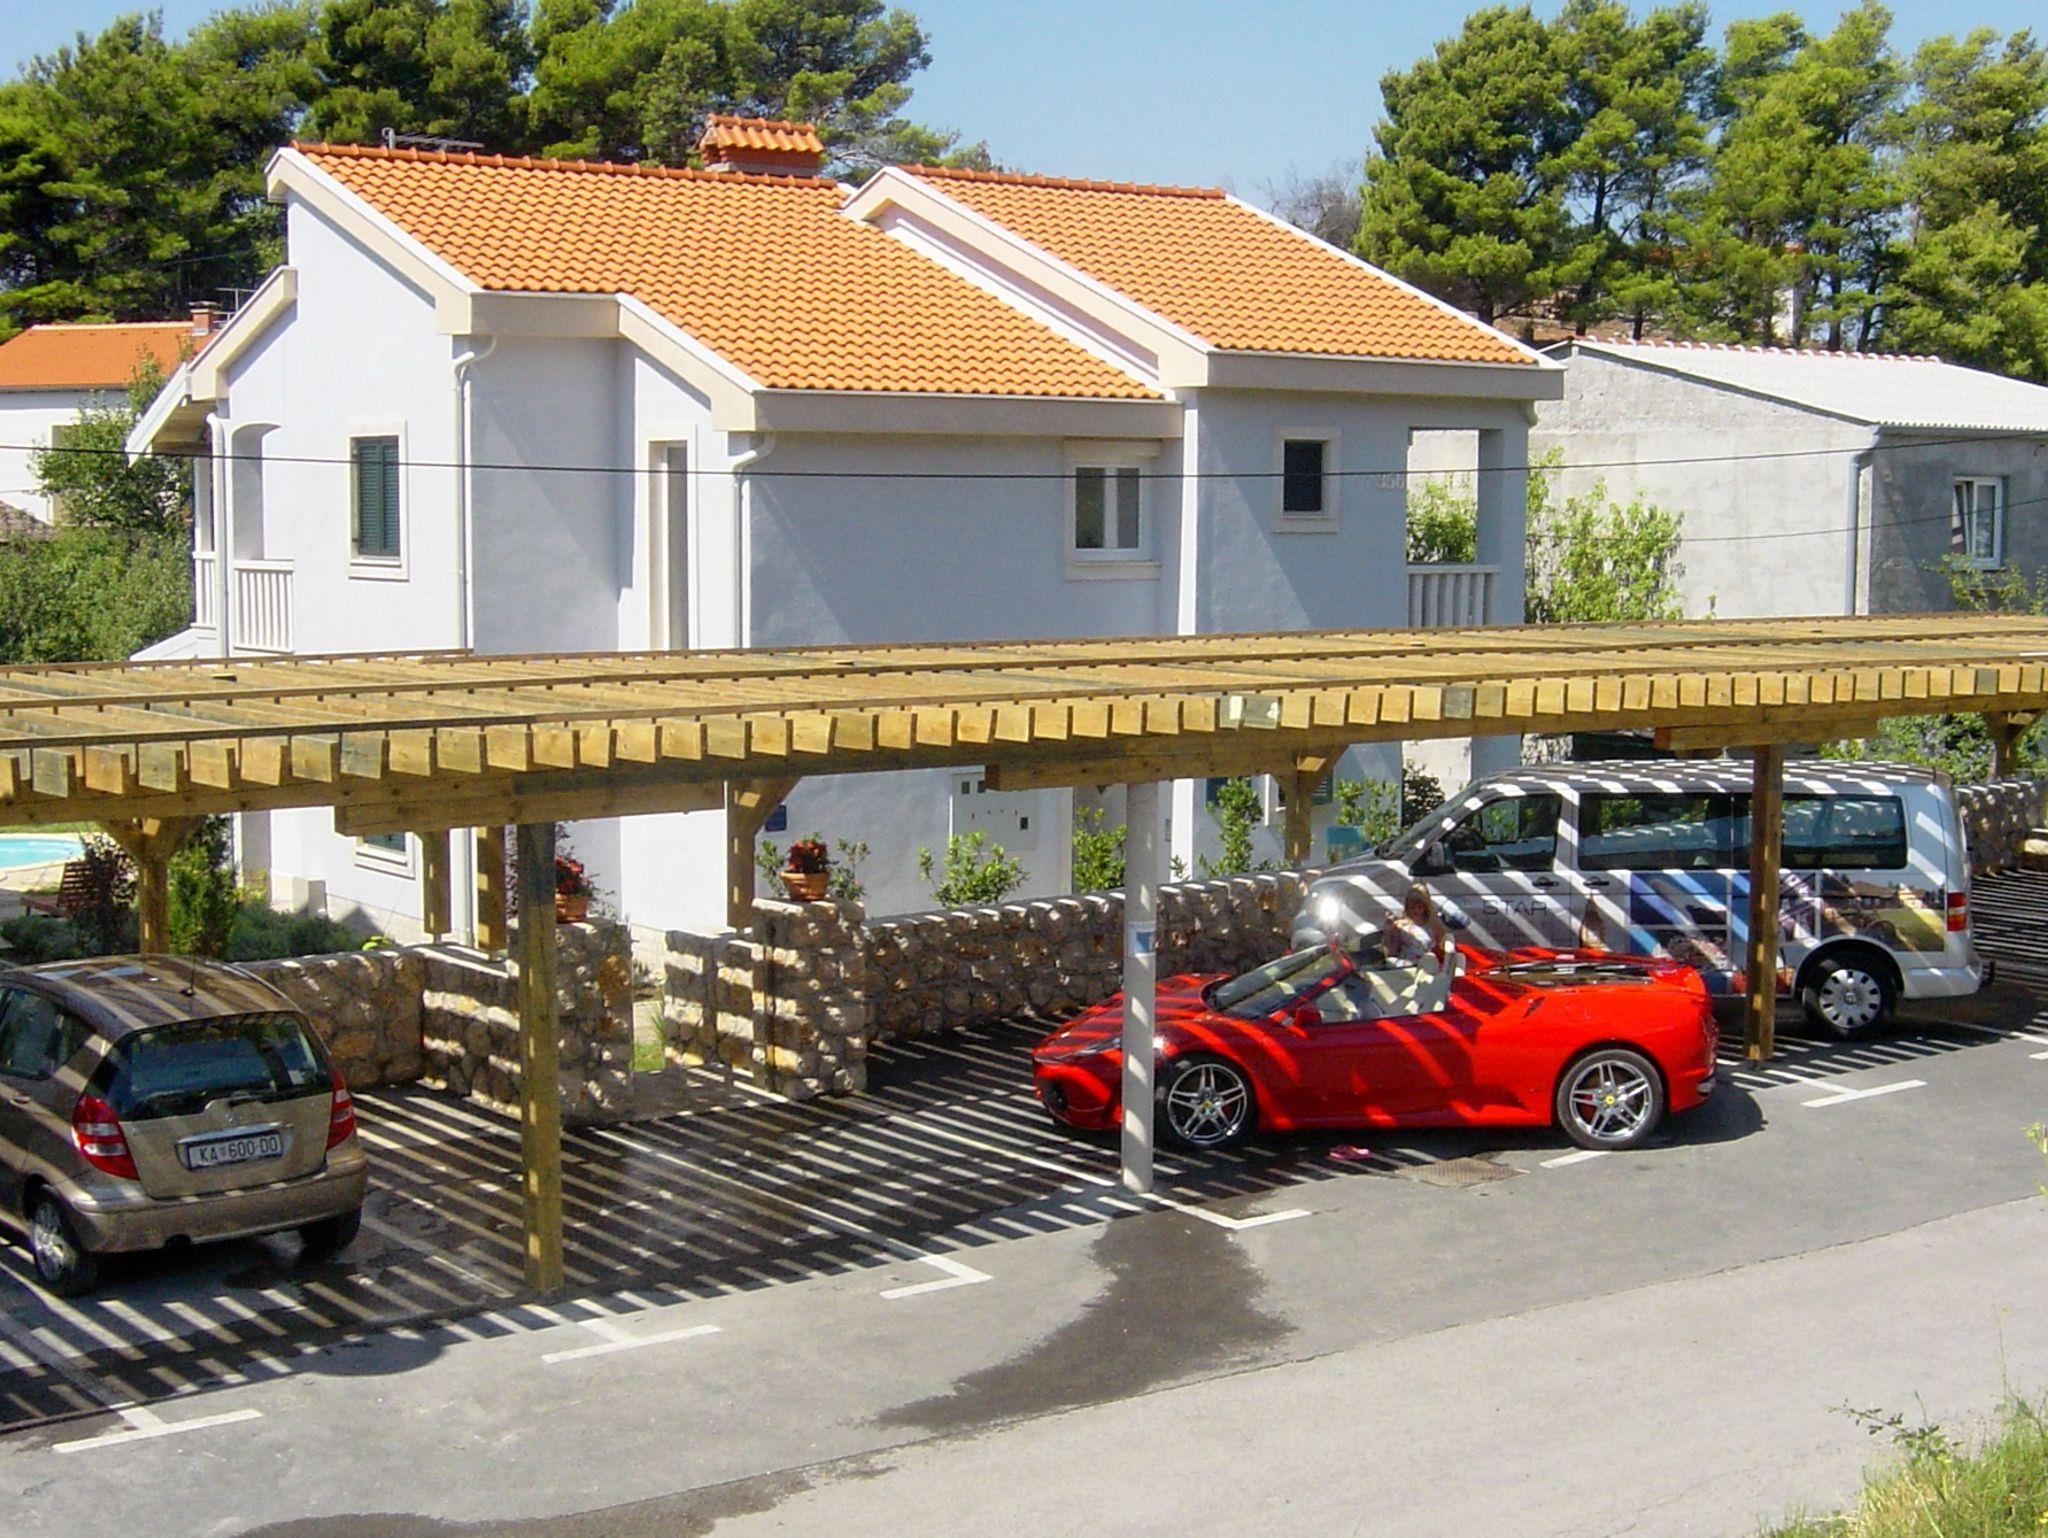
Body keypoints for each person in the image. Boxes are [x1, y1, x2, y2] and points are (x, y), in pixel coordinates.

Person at [1382, 881, 1449, 970]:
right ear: (1407, 907)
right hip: (1405, 964)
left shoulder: (1434, 926)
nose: (1416, 911)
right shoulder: (1401, 926)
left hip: (1426, 965)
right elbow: (1391, 952)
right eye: (1413, 907)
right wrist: (1389, 933)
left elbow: (1444, 950)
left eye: (1420, 907)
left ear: (1426, 907)